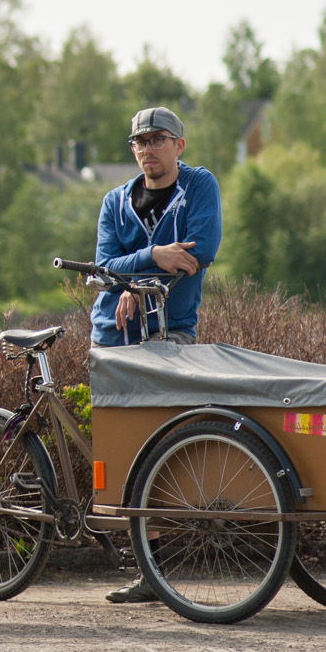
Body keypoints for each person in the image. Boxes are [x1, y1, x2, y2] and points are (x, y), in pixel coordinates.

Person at [91, 106, 222, 603]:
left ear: (178, 145)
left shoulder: (199, 186)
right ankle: (150, 569)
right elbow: (103, 268)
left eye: (158, 139)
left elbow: (200, 251)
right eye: (140, 141)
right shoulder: (114, 201)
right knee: (122, 453)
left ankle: (158, 569)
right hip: (114, 336)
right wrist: (151, 259)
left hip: (170, 334)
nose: (148, 149)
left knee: (163, 447)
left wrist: (135, 281)